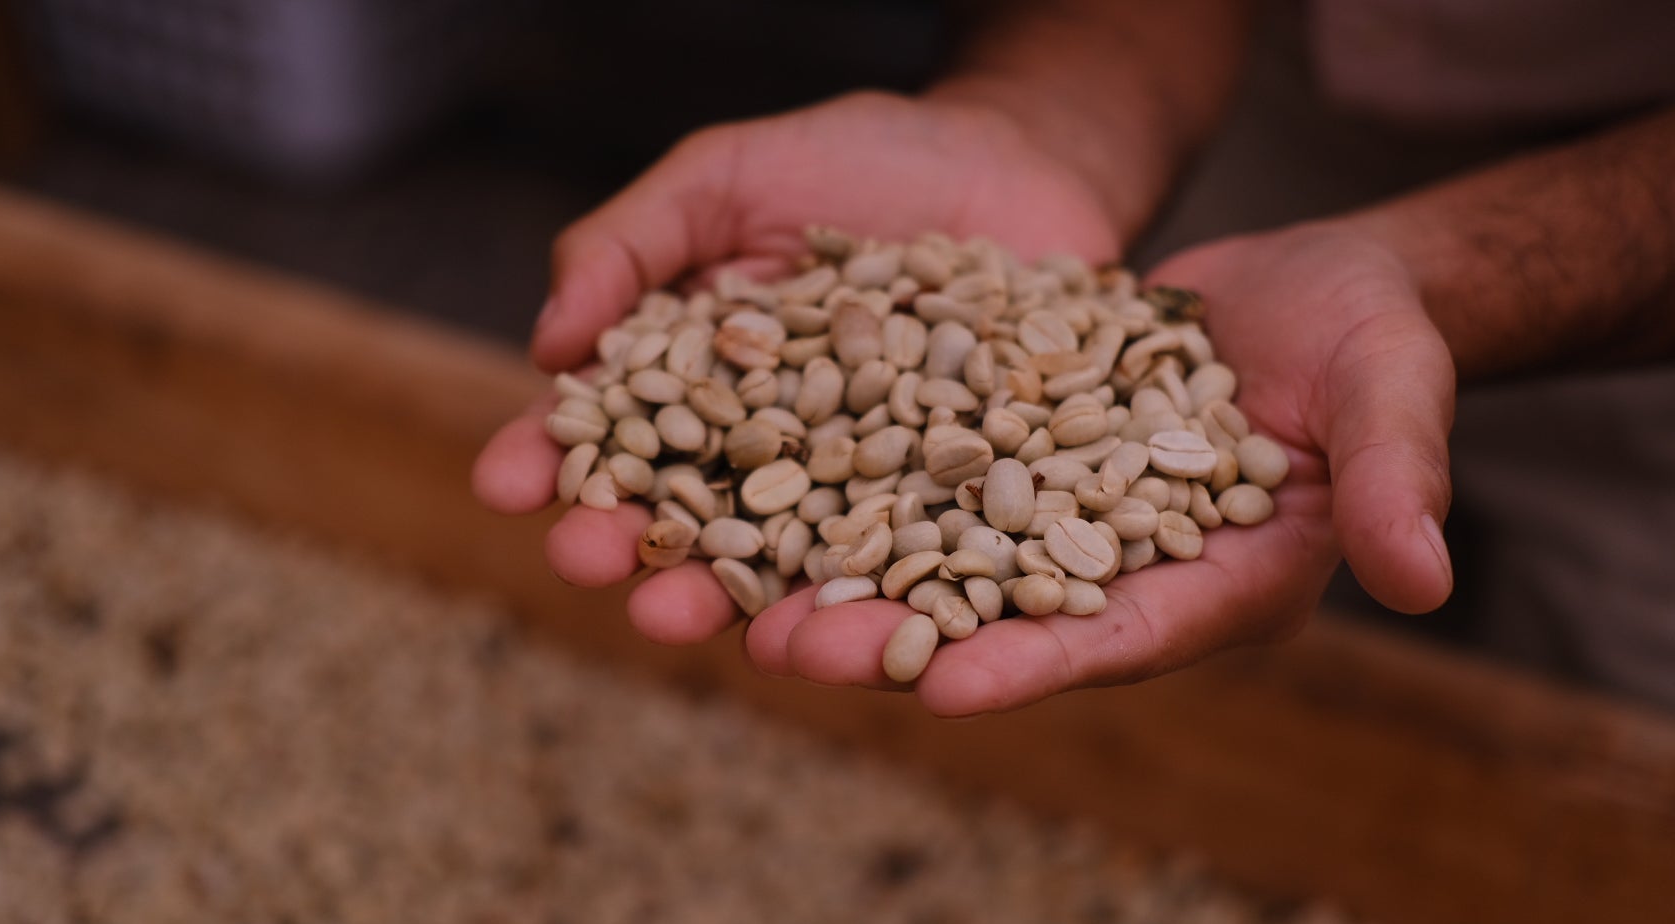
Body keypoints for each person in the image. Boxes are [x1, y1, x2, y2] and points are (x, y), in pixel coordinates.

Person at [473, 0, 1675, 715]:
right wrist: (1050, 112)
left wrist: (1444, 269)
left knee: (1601, 706)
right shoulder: (1054, 375)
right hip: (1288, 77)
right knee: (1247, 671)